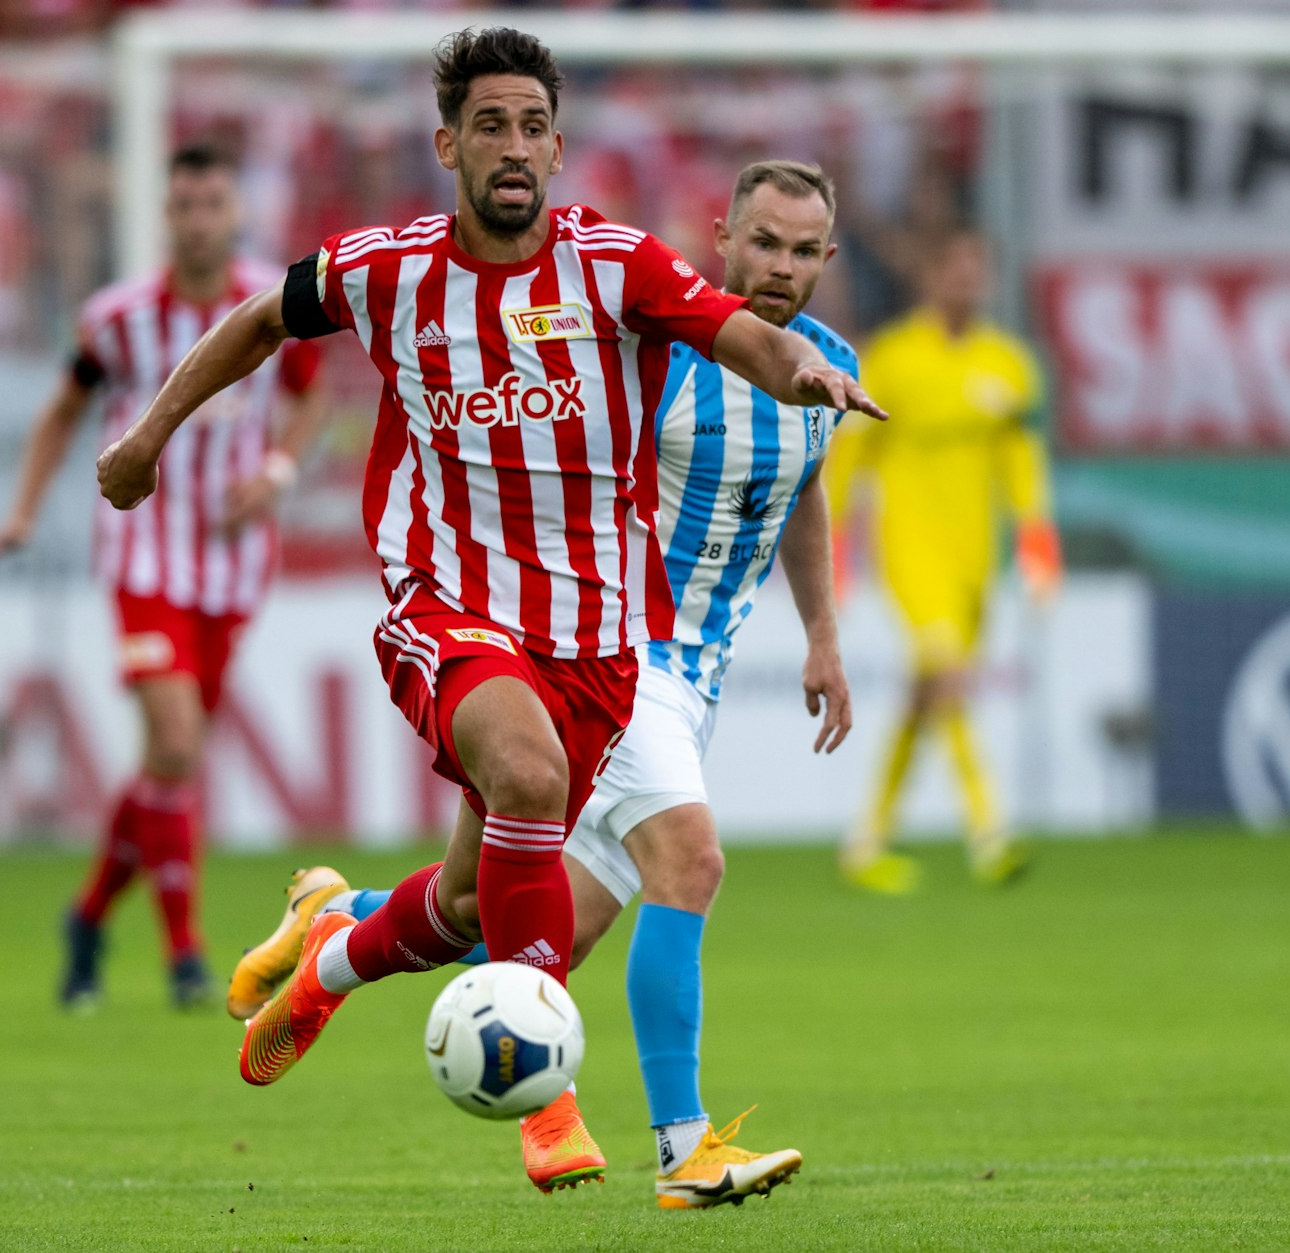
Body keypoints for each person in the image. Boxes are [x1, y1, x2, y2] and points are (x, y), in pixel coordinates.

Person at [94, 28, 883, 1194]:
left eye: (530, 127)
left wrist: (800, 377)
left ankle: (330, 950)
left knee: (480, 907)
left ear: (558, 149)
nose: (510, 147)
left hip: (595, 637)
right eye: (488, 125)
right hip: (448, 600)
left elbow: (743, 345)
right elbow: (260, 318)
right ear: (446, 142)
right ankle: (572, 1115)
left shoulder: (616, 266)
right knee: (547, 787)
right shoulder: (385, 268)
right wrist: (149, 435)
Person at [240, 159, 862, 1210]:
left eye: (802, 250)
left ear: (826, 261)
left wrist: (822, 636)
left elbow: (797, 488)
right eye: (763, 241)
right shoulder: (651, 345)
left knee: (500, 920)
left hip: (691, 679)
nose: (780, 266)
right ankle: (682, 1146)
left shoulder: (825, 365)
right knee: (689, 859)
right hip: (610, 645)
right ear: (721, 238)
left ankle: (332, 935)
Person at [0, 142, 327, 1009]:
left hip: (232, 566)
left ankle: (88, 917)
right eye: (185, 205)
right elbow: (63, 410)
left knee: (169, 761)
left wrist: (276, 471)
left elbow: (313, 393)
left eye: (214, 204)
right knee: (174, 745)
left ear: (234, 214)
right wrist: (19, 512)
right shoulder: (119, 318)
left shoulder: (266, 304)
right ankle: (188, 955)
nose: (200, 219)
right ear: (167, 215)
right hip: (144, 554)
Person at [828, 227, 1059, 893]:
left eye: (974, 270)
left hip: (974, 556)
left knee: (928, 692)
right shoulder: (895, 359)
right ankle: (990, 833)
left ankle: (866, 840)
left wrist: (1036, 531)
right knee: (948, 674)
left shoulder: (1007, 363)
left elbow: (1017, 455)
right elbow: (855, 453)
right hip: (910, 547)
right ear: (930, 278)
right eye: (952, 269)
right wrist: (838, 540)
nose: (963, 281)